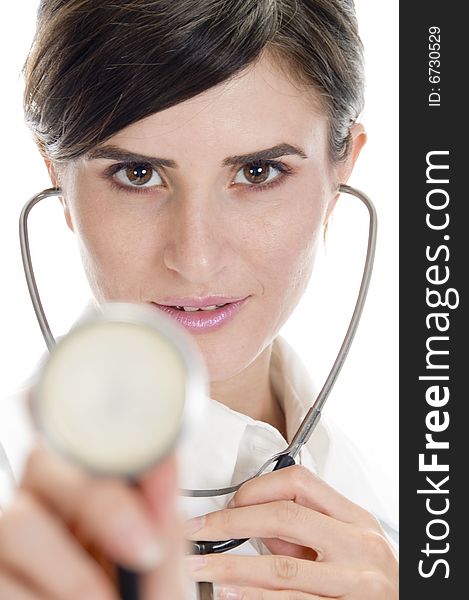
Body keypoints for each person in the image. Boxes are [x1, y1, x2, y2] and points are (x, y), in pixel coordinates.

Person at [0, 0, 398, 598]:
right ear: (56, 174)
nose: (195, 256)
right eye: (137, 174)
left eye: (259, 172)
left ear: (342, 169)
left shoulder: (405, 522)